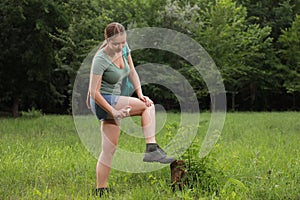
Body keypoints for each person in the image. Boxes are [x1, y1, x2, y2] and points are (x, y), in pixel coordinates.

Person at [86, 22, 175, 197]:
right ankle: (151, 149)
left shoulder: (125, 48)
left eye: (122, 42)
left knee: (109, 149)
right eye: (116, 44)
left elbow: (132, 71)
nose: (120, 47)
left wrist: (140, 93)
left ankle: (100, 190)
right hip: (103, 101)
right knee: (148, 107)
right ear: (107, 40)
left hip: (113, 101)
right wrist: (113, 112)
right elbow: (93, 91)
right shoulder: (100, 59)